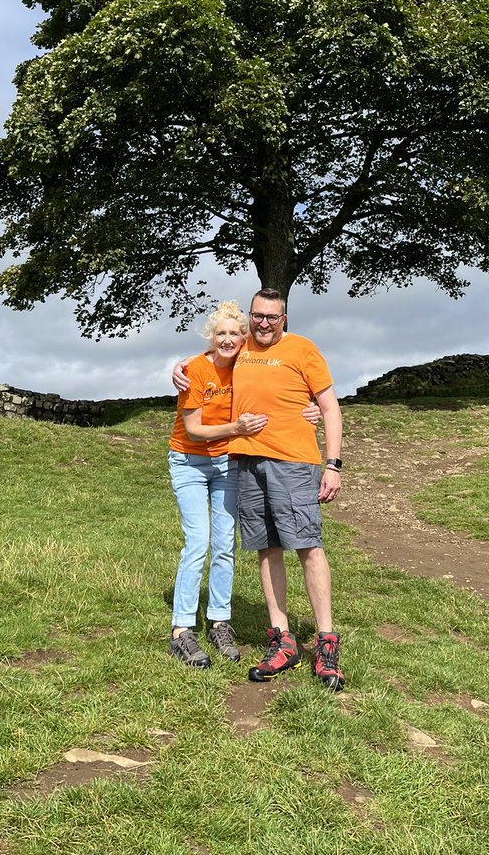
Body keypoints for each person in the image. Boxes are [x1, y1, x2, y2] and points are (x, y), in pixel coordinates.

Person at [175, 288, 345, 691]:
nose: (264, 323)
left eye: (272, 317)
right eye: (258, 316)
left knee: (307, 545)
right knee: (266, 548)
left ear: (284, 318)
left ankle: (325, 643)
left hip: (293, 462)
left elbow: (329, 406)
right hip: (246, 462)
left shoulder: (303, 349)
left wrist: (333, 464)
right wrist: (181, 364)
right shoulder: (242, 346)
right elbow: (212, 354)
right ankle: (281, 640)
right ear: (250, 317)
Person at [166, 300, 268, 669]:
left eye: (234, 334)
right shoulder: (194, 369)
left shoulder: (247, 366)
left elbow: (283, 376)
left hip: (228, 464)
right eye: (220, 333)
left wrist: (311, 407)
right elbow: (194, 429)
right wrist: (236, 429)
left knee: (224, 543)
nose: (227, 340)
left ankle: (219, 622)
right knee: (197, 542)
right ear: (211, 338)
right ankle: (181, 630)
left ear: (244, 339)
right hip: (189, 462)